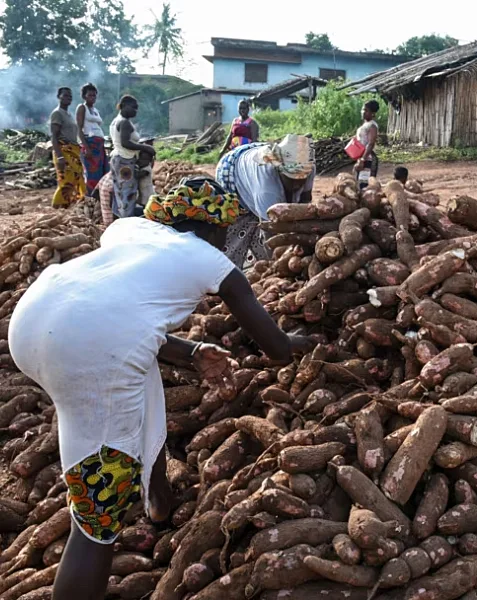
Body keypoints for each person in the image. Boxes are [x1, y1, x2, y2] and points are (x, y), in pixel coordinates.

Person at [8, 187, 315, 600]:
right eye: (227, 233)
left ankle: (158, 500)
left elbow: (115, 310)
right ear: (212, 229)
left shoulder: (128, 229)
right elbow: (275, 349)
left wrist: (190, 353)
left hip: (31, 324)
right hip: (87, 351)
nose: (229, 242)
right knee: (97, 515)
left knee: (138, 378)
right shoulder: (210, 259)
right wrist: (307, 342)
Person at [216, 134, 315, 268]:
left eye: (300, 180)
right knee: (242, 230)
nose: (296, 185)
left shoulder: (307, 167)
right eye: (291, 179)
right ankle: (226, 272)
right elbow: (270, 229)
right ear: (279, 170)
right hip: (232, 171)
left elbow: (306, 202)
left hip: (252, 155)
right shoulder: (267, 187)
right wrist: (282, 263)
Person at [109, 95, 156, 219]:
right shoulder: (124, 122)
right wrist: (145, 148)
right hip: (125, 160)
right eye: (133, 108)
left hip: (118, 158)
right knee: (127, 193)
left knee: (119, 192)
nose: (136, 111)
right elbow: (126, 143)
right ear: (124, 105)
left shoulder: (116, 120)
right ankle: (126, 221)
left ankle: (118, 219)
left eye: (137, 108)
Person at [50, 87, 87, 209]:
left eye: (70, 96)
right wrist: (60, 156)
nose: (68, 98)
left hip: (73, 152)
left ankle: (70, 206)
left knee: (77, 177)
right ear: (58, 97)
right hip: (63, 151)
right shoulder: (57, 113)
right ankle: (58, 207)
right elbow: (54, 136)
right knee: (65, 181)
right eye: (65, 95)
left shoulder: (70, 115)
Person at [76, 83, 109, 194]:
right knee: (91, 175)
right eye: (90, 95)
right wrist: (86, 148)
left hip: (99, 145)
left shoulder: (95, 110)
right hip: (89, 144)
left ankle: (98, 198)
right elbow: (79, 129)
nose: (93, 98)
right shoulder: (82, 108)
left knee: (102, 173)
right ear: (84, 96)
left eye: (94, 95)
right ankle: (90, 199)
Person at [353, 100, 380, 189]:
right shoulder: (365, 125)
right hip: (362, 157)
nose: (363, 112)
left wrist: (363, 159)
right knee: (358, 183)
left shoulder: (372, 126)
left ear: (372, 113)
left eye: (366, 110)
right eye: (362, 110)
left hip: (368, 158)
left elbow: (371, 143)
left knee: (365, 185)